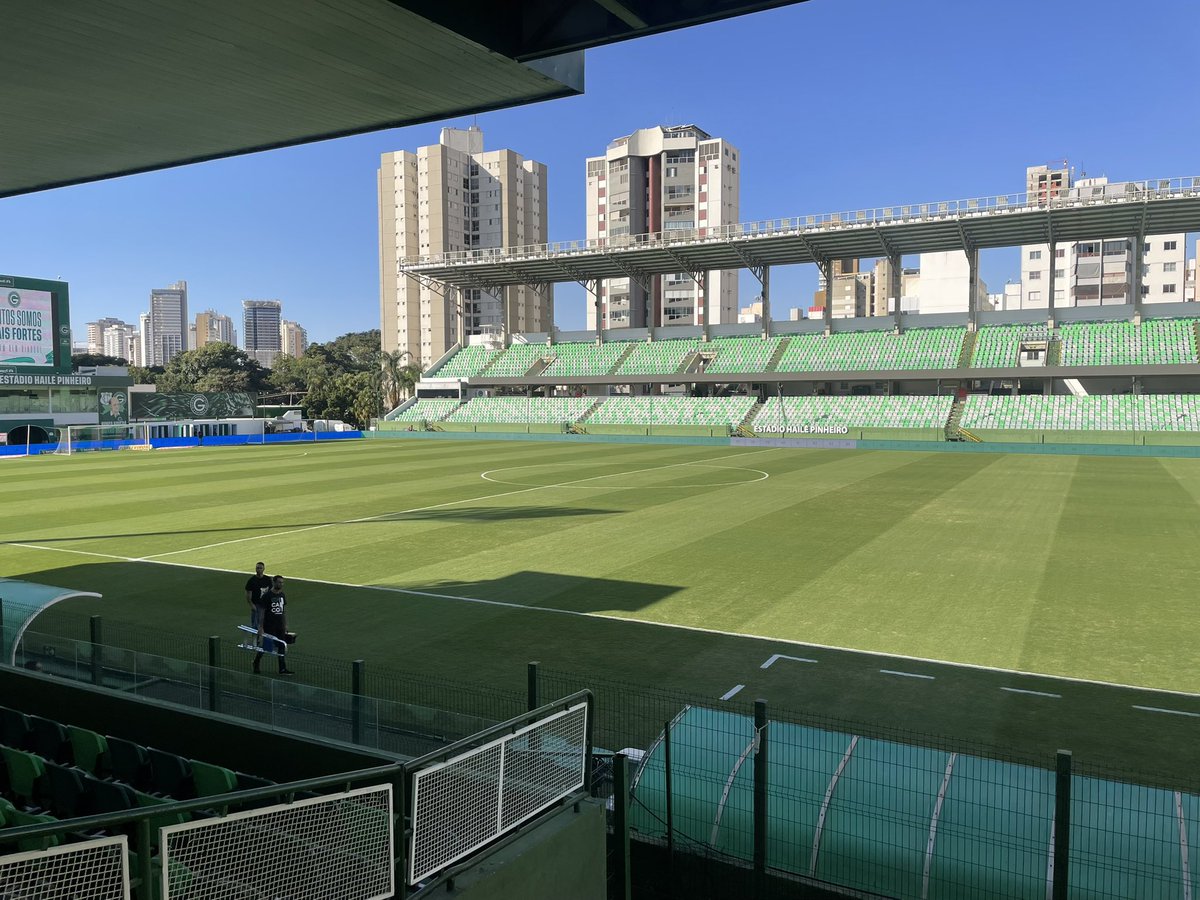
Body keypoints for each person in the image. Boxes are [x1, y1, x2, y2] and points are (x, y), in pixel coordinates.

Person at [254, 575, 294, 676]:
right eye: (279, 582)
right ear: (274, 582)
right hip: (269, 625)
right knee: (266, 646)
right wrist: (261, 627)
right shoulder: (267, 596)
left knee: (281, 646)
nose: (281, 584)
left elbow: (283, 611)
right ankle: (256, 662)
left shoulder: (282, 595)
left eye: (282, 582)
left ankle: (282, 668)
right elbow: (262, 612)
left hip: (279, 625)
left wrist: (285, 625)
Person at [244, 561, 271, 628]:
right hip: (257, 605)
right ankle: (255, 638)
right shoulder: (252, 580)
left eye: (260, 568)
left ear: (263, 569)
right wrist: (252, 605)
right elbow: (248, 593)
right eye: (257, 568)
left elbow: (271, 591)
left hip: (266, 604)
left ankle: (262, 637)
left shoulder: (267, 579)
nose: (258, 570)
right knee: (255, 624)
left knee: (266, 622)